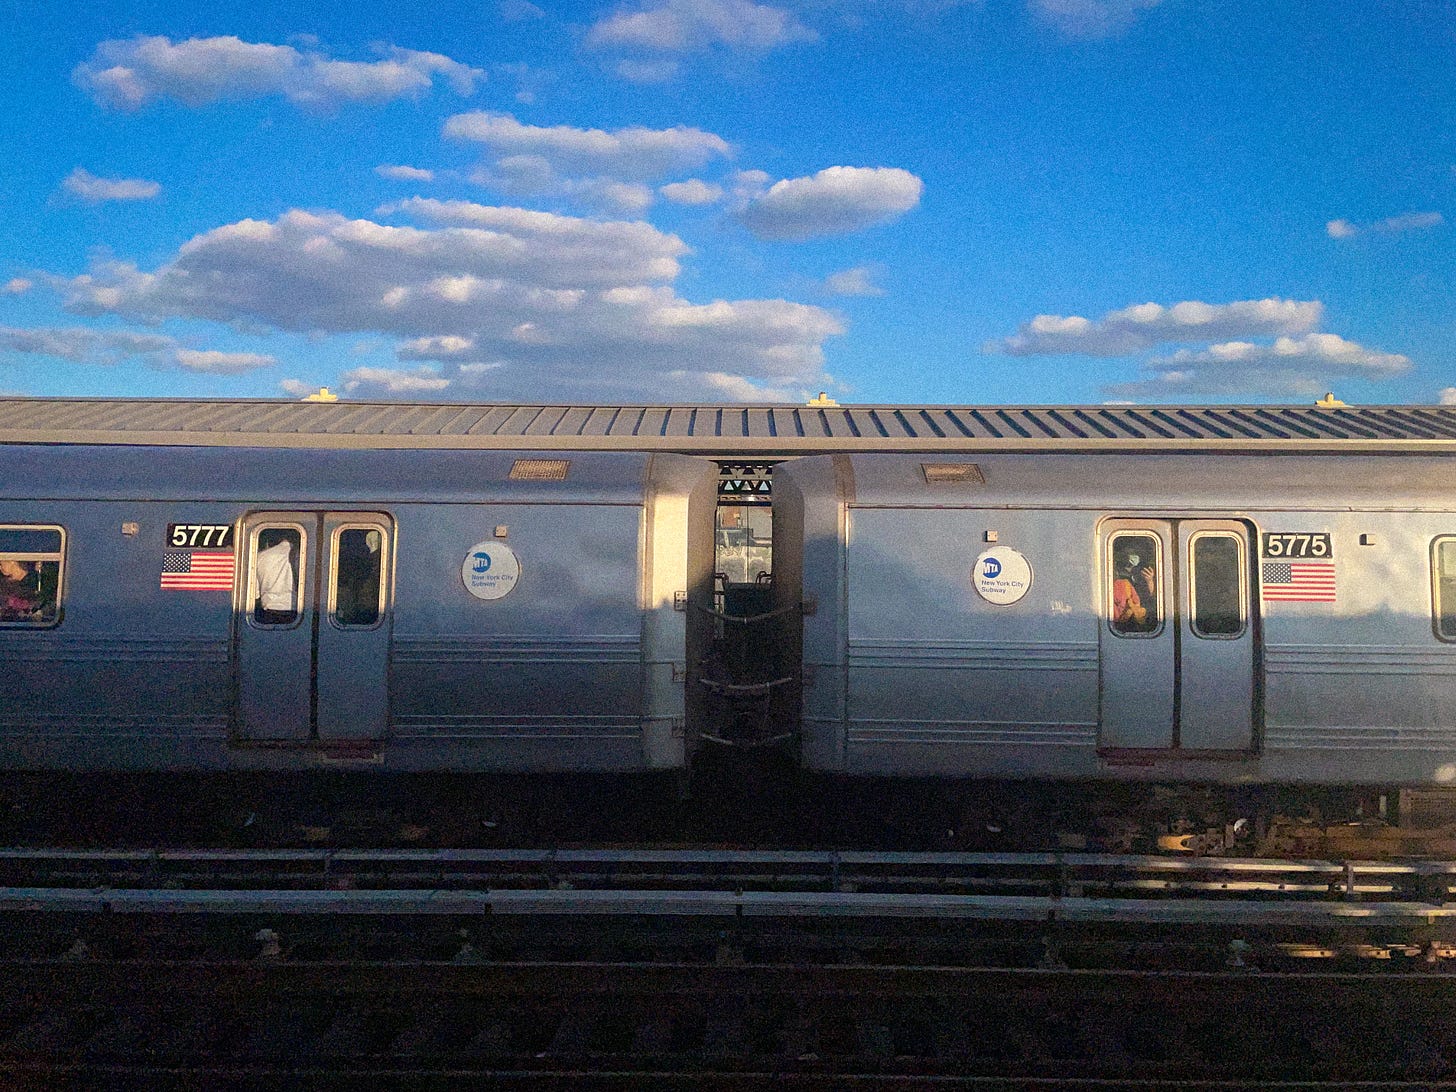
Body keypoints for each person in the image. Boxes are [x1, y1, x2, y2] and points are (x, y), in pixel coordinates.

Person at [254, 531, 297, 624]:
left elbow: (255, 594)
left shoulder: (260, 557)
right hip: (296, 613)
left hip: (269, 612)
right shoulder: (302, 555)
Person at [0, 558, 47, 622]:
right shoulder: (3, 582)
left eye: (1, 563)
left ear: (13, 561)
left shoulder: (35, 581)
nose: (0, 567)